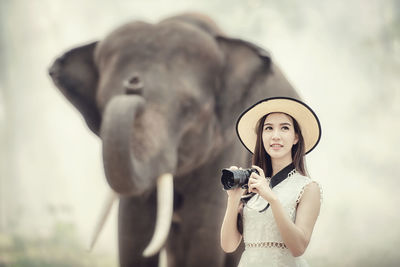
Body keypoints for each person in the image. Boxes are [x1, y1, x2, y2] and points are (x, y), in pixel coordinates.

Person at [220, 97, 322, 267]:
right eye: (268, 128)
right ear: (261, 136)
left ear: (296, 137)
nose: (275, 136)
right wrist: (233, 199)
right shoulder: (252, 185)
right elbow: (228, 245)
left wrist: (272, 198)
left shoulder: (308, 188)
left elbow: (298, 248)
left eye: (284, 128)